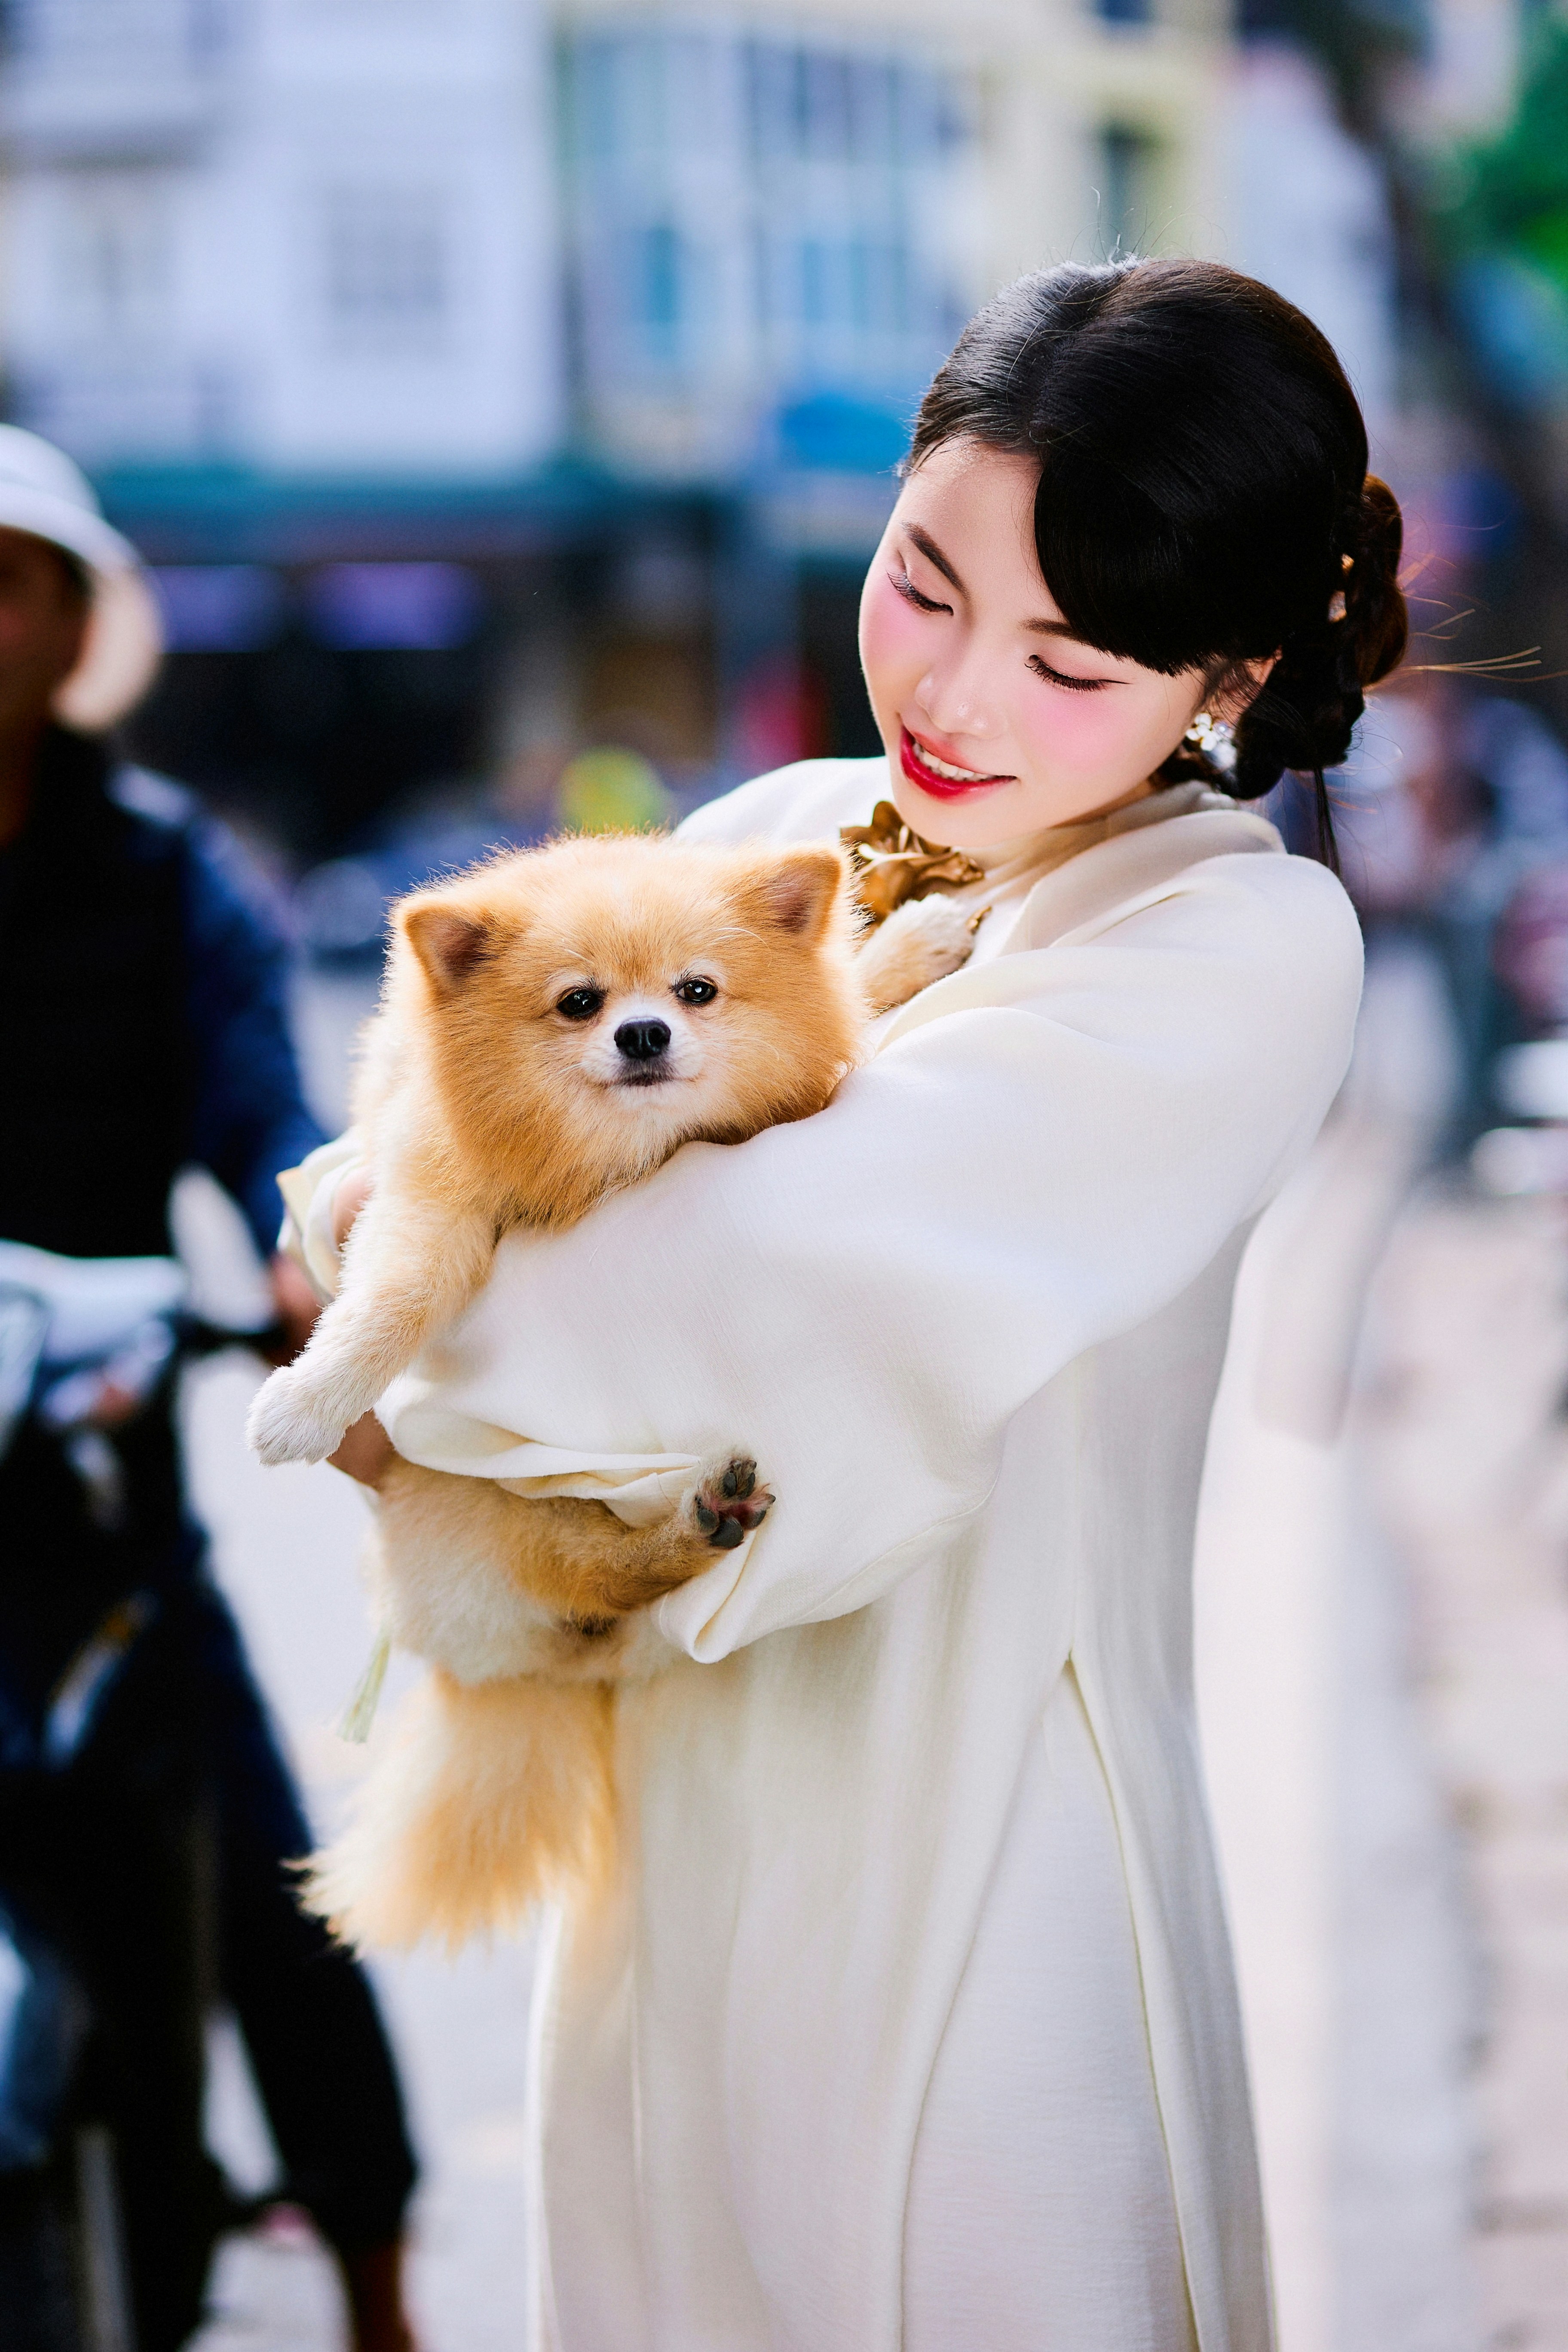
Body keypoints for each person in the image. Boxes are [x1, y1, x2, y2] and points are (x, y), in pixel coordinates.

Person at [309, 260, 1399, 2350]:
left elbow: (728, 1288)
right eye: (923, 581)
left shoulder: (1234, 950)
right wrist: (414, 1247)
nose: (956, 698)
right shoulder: (792, 841)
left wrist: (415, 1302)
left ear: (1230, 675)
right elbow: (400, 1130)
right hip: (674, 1833)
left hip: (984, 1840)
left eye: (1070, 657)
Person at [0, 427, 421, 2351]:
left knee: (283, 1897)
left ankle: (378, 2287)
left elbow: (270, 1115)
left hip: (96, 1507)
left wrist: (297, 1253)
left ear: (76, 623)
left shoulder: (170, 880)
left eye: (17, 578)